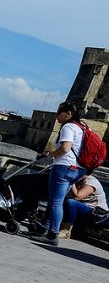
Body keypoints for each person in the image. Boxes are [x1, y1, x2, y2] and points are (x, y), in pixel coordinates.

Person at [36, 101, 87, 246]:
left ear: (68, 114)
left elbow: (65, 148)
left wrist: (51, 154)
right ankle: (45, 229)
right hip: (77, 169)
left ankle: (52, 234)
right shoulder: (81, 128)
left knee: (55, 202)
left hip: (64, 167)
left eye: (59, 112)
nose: (57, 115)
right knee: (57, 201)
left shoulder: (68, 127)